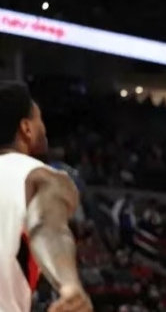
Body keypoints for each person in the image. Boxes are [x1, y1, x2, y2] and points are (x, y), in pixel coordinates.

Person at [0, 81, 92, 312]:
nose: (44, 127)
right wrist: (68, 284)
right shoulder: (36, 175)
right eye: (39, 118)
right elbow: (47, 225)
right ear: (26, 128)